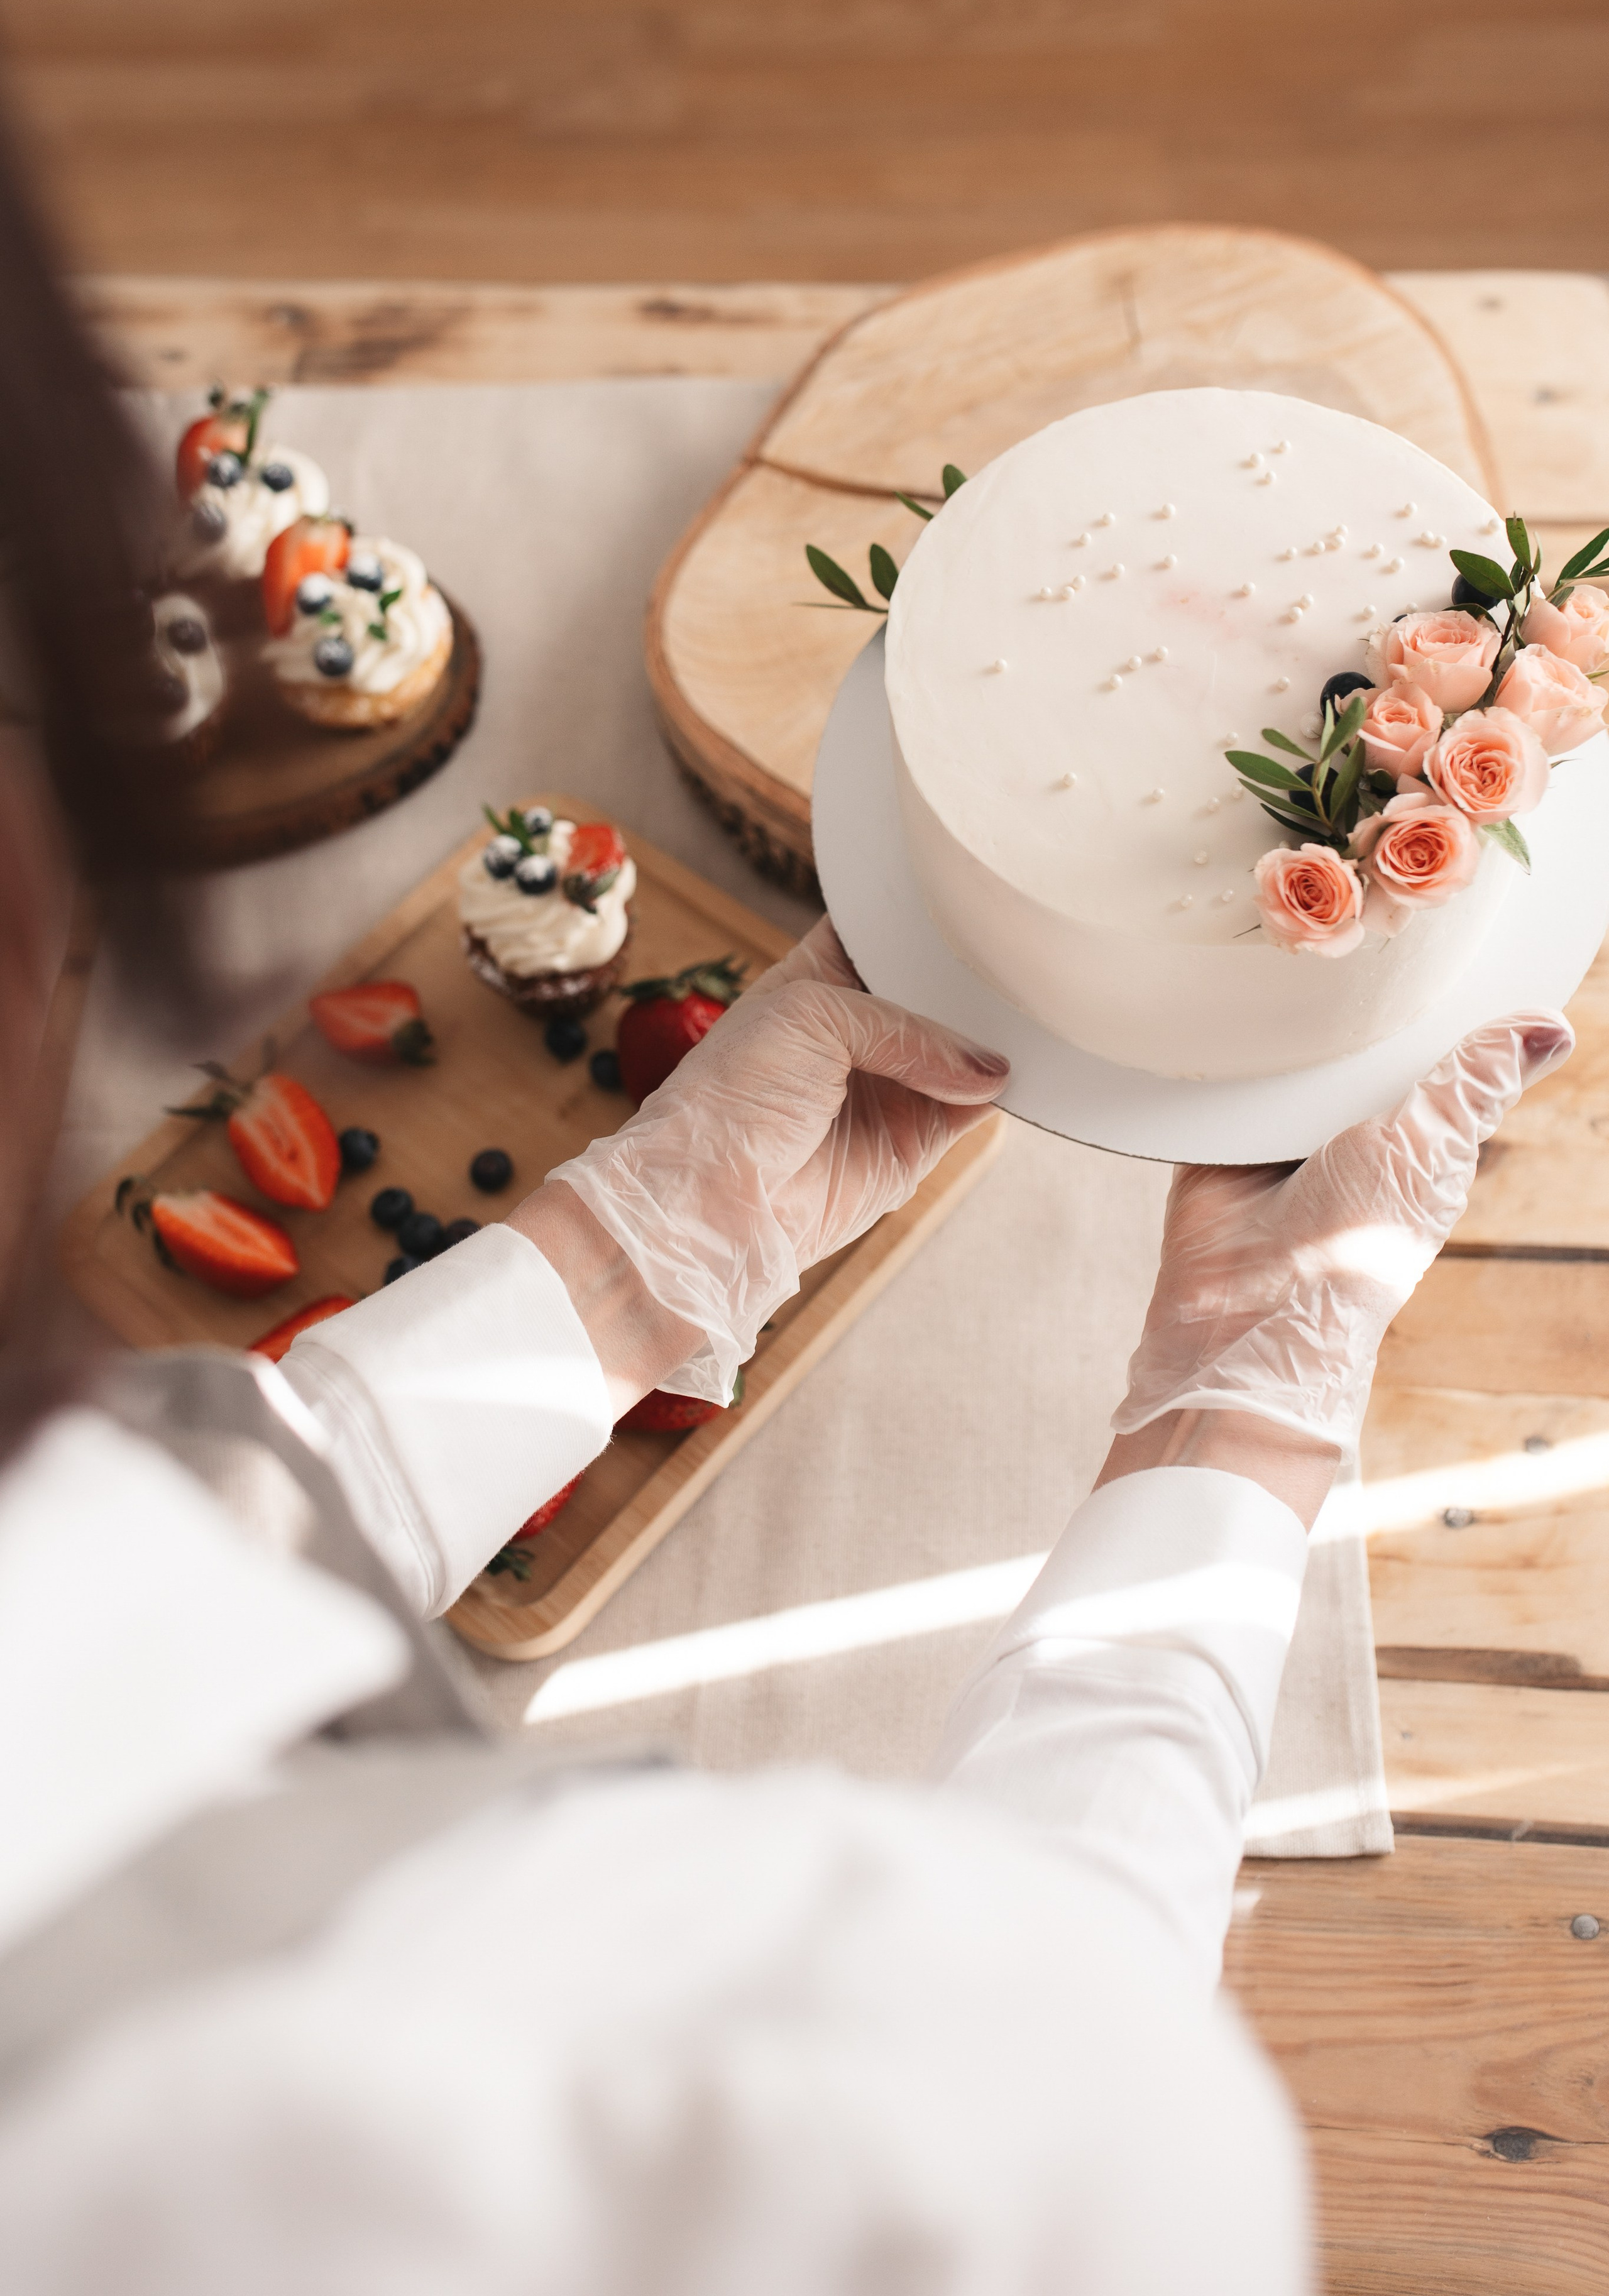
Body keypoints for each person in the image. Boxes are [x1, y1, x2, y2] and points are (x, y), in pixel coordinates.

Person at [0, 117, 1573, 2293]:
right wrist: (1236, 1410)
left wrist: (621, 1263)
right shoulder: (773, 2097)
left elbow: (123, 1604)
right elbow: (1063, 2075)